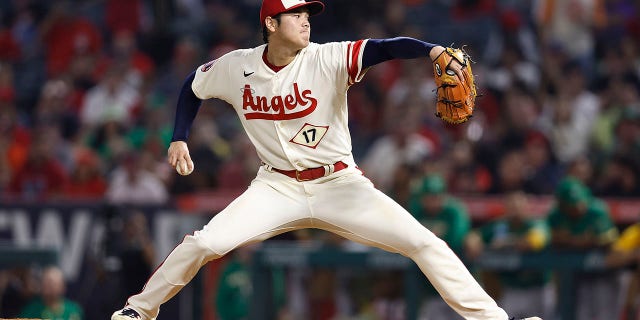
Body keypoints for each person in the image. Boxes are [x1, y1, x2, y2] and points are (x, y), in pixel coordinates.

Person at [111, 1, 541, 319]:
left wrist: (430, 51)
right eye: (295, 14)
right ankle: (137, 312)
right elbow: (192, 84)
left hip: (340, 186)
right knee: (205, 243)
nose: (305, 21)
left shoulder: (328, 56)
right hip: (275, 186)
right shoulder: (236, 66)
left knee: (424, 243)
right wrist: (179, 137)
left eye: (307, 14)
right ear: (270, 24)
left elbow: (385, 48)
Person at [466, 190, 554, 319]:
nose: (515, 210)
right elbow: (474, 236)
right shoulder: (500, 225)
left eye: (518, 206)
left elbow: (533, 242)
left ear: (526, 207)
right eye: (512, 206)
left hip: (537, 289)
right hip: (511, 288)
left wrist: (506, 243)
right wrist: (474, 241)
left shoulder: (537, 224)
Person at [547, 177, 619, 320]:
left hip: (604, 274)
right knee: (580, 314)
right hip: (576, 275)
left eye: (580, 202)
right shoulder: (556, 215)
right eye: (572, 205)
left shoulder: (597, 210)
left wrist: (582, 240)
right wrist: (578, 240)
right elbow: (551, 239)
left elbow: (610, 241)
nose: (579, 207)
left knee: (604, 314)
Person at [408, 174, 470, 320]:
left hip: (460, 286)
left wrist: (424, 242)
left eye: (436, 196)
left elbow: (454, 241)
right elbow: (406, 239)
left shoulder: (454, 211)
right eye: (429, 196)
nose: (433, 201)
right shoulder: (416, 210)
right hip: (431, 289)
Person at [19, 266, 84, 320]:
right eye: (46, 282)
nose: (49, 286)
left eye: (53, 283)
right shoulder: (32, 310)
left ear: (62, 287)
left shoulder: (73, 310)